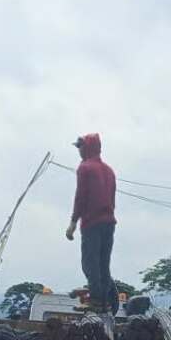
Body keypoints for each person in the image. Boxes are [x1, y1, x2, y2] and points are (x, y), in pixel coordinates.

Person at [66, 133, 118, 314]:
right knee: (104, 263)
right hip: (109, 222)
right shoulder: (109, 171)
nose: (79, 151)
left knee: (90, 262)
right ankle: (105, 300)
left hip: (92, 222)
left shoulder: (85, 168)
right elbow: (112, 198)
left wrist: (73, 222)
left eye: (80, 147)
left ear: (86, 147)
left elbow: (81, 197)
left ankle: (95, 300)